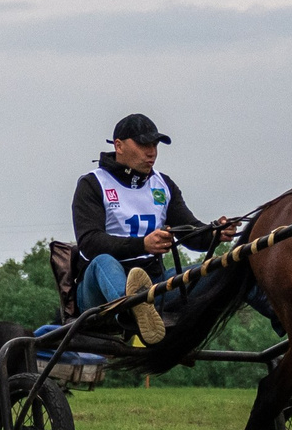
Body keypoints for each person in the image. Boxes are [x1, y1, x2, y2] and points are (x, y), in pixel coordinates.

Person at [70, 113, 221, 345]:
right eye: (143, 144)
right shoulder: (92, 184)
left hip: (153, 285)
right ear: (118, 145)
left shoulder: (163, 184)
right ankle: (133, 307)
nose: (151, 152)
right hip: (97, 292)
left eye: (154, 145)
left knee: (224, 266)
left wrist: (215, 233)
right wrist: (142, 245)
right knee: (104, 261)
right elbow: (90, 244)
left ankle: (283, 316)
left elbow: (190, 233)